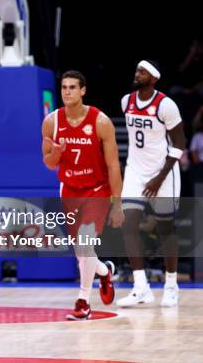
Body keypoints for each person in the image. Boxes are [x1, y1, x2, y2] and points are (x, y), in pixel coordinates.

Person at [42, 70, 124, 320]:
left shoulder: (100, 122)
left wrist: (117, 204)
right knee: (82, 252)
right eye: (64, 87)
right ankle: (103, 271)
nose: (67, 91)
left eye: (72, 87)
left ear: (83, 90)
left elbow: (113, 166)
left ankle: (83, 301)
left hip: (97, 189)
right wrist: (56, 152)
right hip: (69, 189)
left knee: (86, 244)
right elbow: (48, 163)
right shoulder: (51, 122)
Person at [117, 60, 186, 308]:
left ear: (154, 78)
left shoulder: (166, 105)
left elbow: (180, 143)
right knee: (129, 224)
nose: (137, 74)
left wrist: (159, 177)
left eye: (142, 71)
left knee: (166, 228)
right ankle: (140, 287)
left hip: (164, 171)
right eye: (136, 70)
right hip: (136, 170)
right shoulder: (126, 101)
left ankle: (170, 285)